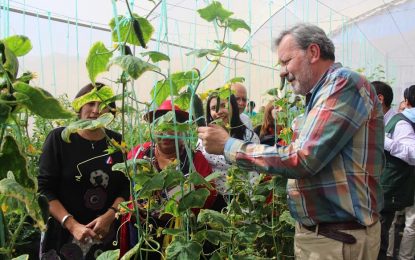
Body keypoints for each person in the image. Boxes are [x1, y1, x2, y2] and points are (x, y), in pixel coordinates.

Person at [198, 23, 384, 260]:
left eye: (286, 61)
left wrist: (228, 146)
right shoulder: (318, 97)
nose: (282, 72)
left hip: (339, 241)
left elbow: (302, 159)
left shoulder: (343, 84)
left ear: (313, 52)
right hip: (328, 237)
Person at [38, 83, 130, 259]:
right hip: (63, 233)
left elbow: (126, 187)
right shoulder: (60, 138)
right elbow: (44, 189)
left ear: (111, 112)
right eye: (90, 104)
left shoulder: (117, 142)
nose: (96, 110)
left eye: (103, 105)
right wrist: (72, 225)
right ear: (79, 107)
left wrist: (110, 216)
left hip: (105, 235)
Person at [119, 100, 217, 258]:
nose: (166, 132)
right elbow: (126, 183)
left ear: (182, 129)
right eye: (161, 126)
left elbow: (208, 193)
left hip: (180, 231)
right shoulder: (139, 153)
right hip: (142, 227)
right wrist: (136, 204)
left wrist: (182, 210)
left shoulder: (194, 159)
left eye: (173, 126)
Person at [200, 93, 259, 195]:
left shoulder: (249, 137)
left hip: (243, 196)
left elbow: (255, 170)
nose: (218, 111)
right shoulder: (205, 136)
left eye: (223, 106)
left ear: (233, 108)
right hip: (214, 196)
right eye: (214, 108)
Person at [386, 86, 415, 260]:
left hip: (401, 178)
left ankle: (391, 255)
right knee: (410, 222)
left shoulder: (402, 121)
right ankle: (405, 257)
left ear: (407, 101)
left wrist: (387, 143)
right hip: (403, 179)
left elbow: (411, 154)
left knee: (392, 219)